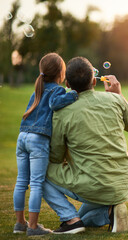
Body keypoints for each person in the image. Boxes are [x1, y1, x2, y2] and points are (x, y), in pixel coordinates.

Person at [43, 56, 128, 234]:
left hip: (92, 183)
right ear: (94, 80)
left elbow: (55, 157)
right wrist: (119, 95)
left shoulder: (62, 112)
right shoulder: (115, 99)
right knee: (86, 219)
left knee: (37, 169)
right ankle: (111, 211)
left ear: (67, 84)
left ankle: (70, 220)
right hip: (122, 184)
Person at [13, 53, 78, 236]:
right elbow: (56, 104)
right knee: (36, 183)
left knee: (21, 182)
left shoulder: (37, 90)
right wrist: (73, 94)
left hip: (22, 137)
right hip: (38, 140)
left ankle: (20, 224)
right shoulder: (57, 90)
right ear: (60, 73)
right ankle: (33, 227)